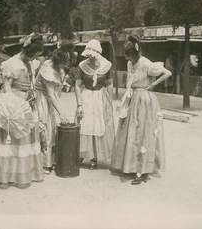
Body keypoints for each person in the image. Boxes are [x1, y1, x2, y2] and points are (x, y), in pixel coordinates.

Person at [111, 35, 172, 185]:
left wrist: (152, 85)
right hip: (133, 99)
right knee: (131, 132)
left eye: (130, 56)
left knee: (143, 133)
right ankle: (131, 165)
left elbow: (167, 73)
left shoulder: (146, 63)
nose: (129, 59)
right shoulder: (130, 64)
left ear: (135, 53)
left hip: (145, 99)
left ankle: (143, 170)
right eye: (127, 56)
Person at [0, 34, 44, 189]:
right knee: (13, 140)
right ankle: (8, 175)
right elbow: (6, 88)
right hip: (14, 104)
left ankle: (24, 172)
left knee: (25, 140)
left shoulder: (29, 63)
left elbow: (30, 82)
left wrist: (31, 95)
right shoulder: (12, 64)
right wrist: (15, 109)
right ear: (27, 50)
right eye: (33, 54)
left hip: (27, 102)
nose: (34, 58)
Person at [75, 39, 115, 170]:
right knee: (84, 124)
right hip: (86, 96)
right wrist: (79, 104)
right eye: (88, 56)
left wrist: (110, 102)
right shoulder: (82, 65)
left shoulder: (107, 65)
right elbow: (77, 85)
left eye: (92, 56)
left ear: (98, 54)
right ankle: (81, 154)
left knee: (98, 125)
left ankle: (95, 157)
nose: (89, 58)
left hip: (100, 97)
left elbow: (109, 84)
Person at [35, 48, 70, 174]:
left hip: (51, 99)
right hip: (43, 100)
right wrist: (61, 112)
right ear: (57, 61)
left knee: (54, 129)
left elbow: (55, 90)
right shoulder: (47, 69)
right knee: (45, 130)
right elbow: (50, 94)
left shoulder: (58, 68)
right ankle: (45, 163)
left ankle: (53, 161)